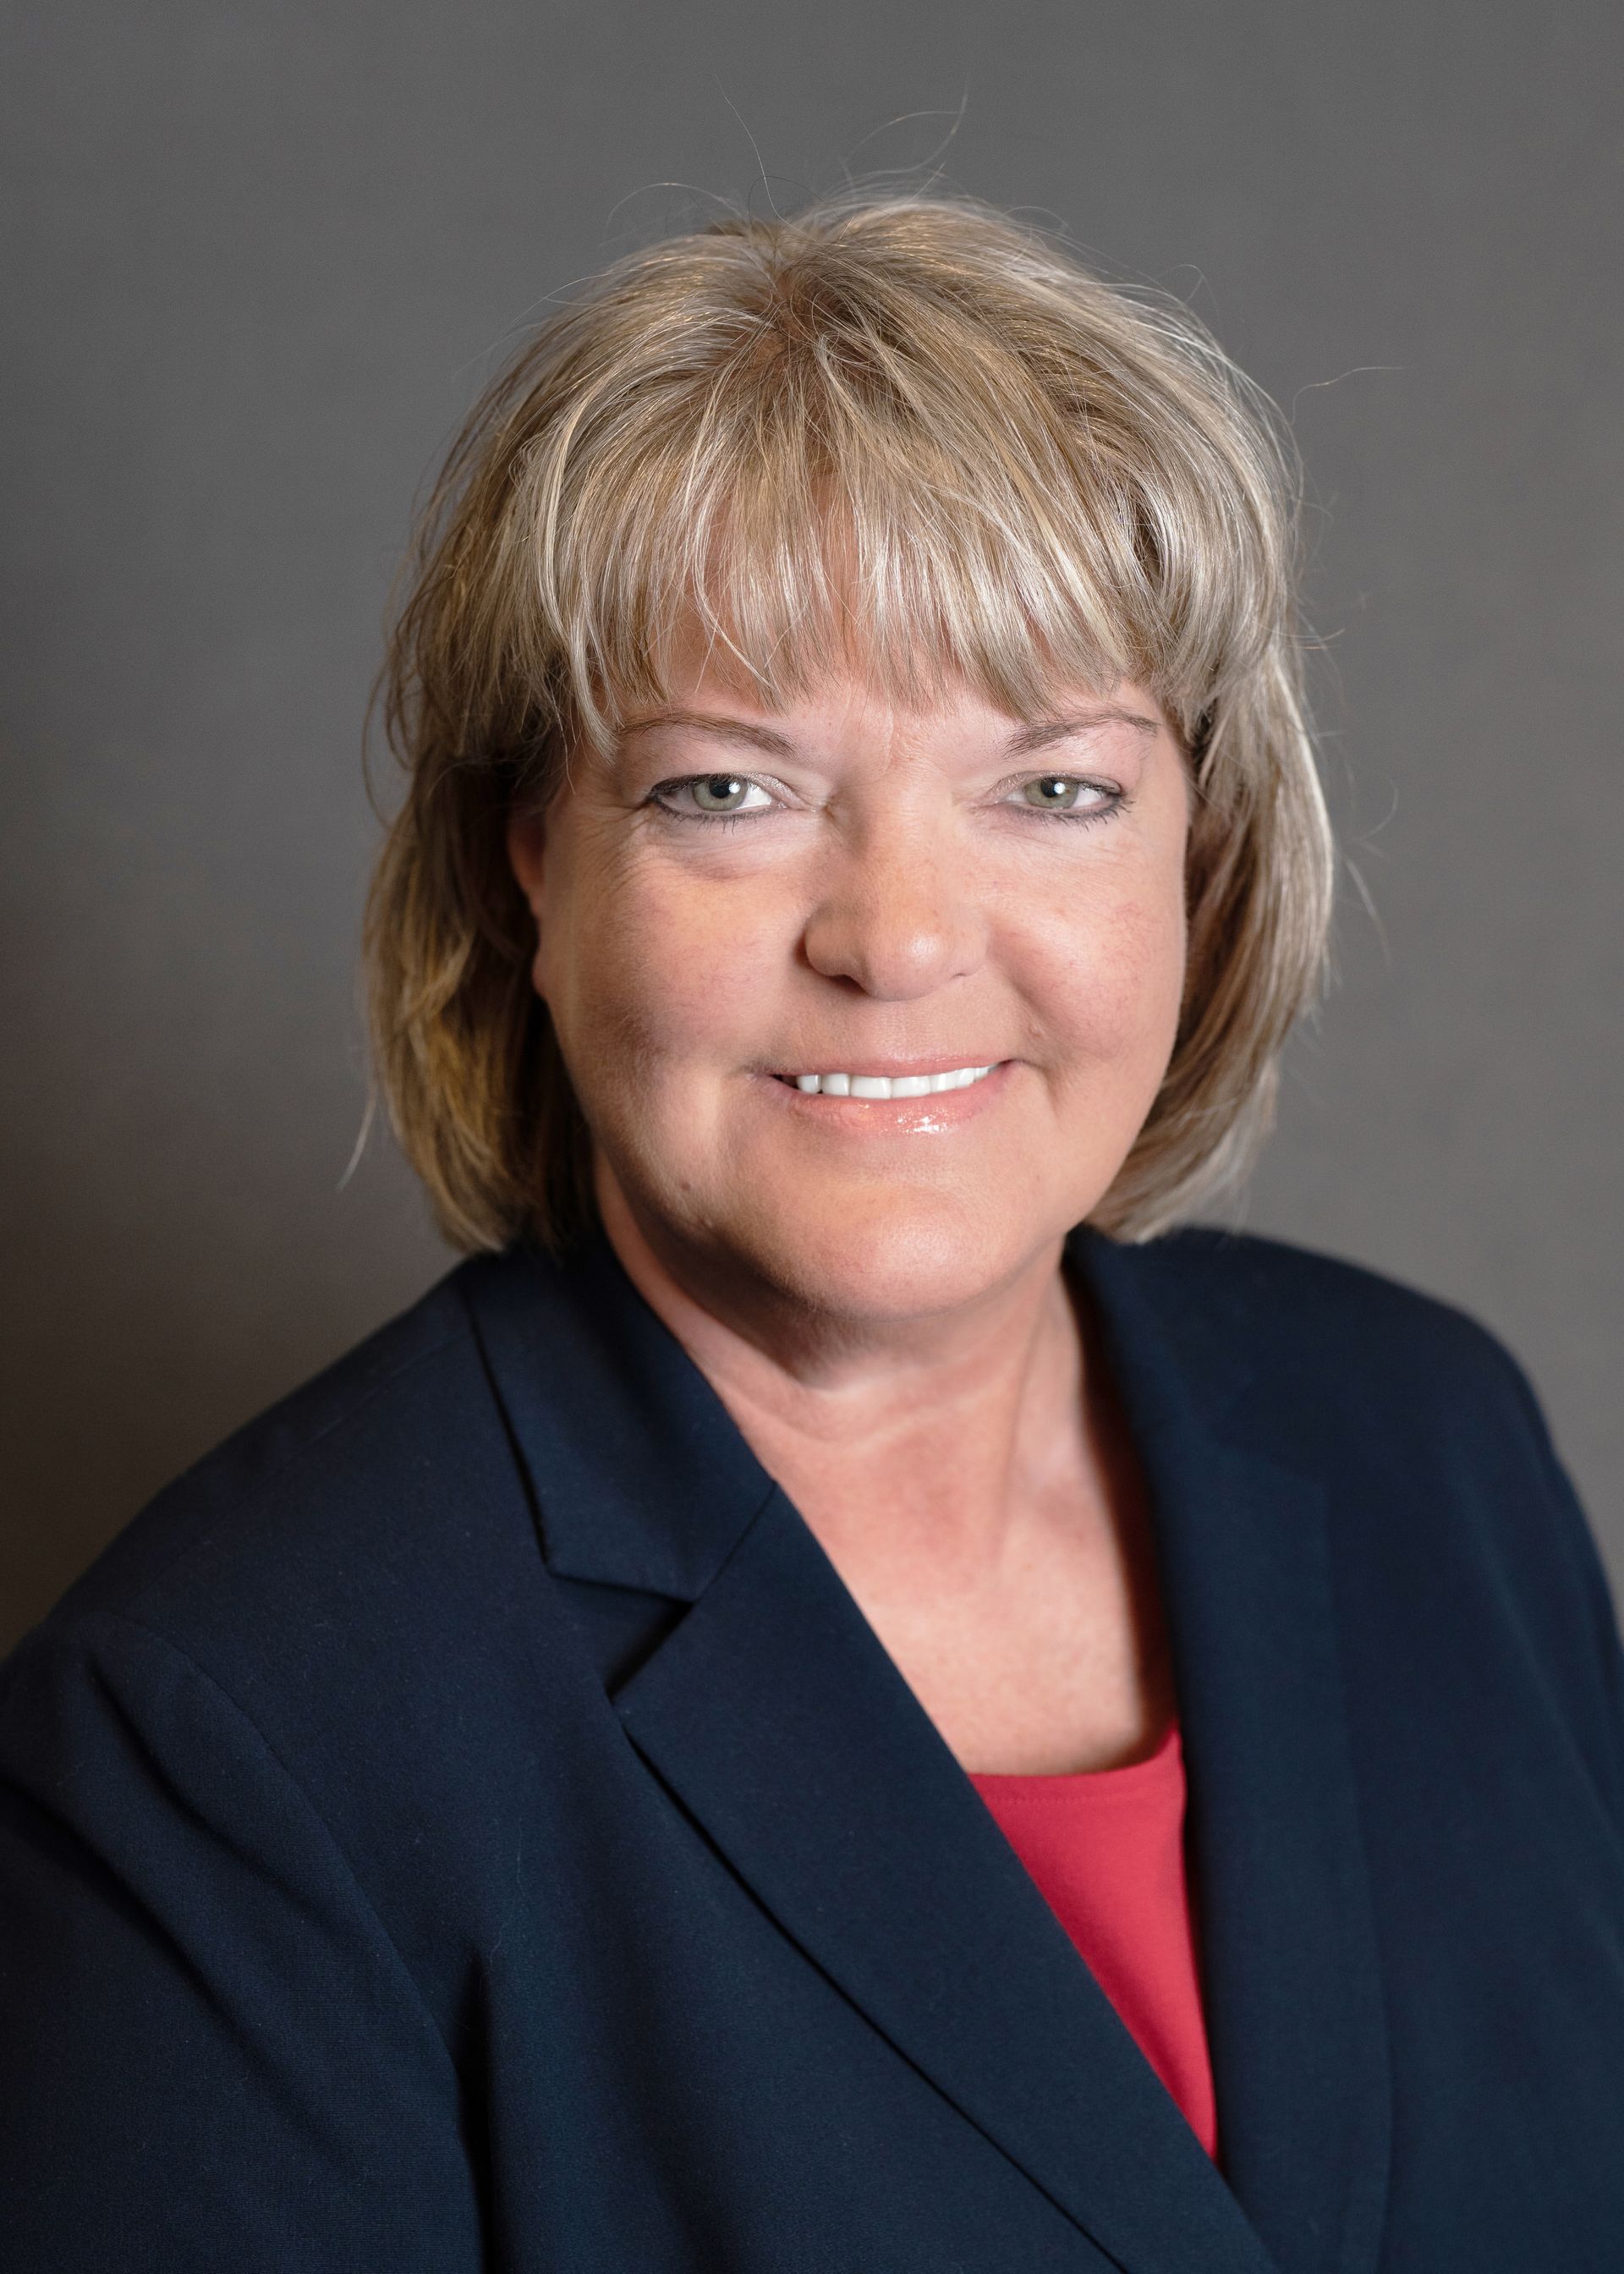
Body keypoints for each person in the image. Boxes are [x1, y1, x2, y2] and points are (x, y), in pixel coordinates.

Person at [2, 195, 1621, 2274]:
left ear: (1202, 853)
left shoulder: (1433, 1447)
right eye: (730, 790)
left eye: (1052, 788)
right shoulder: (223, 1738)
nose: (902, 939)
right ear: (530, 866)